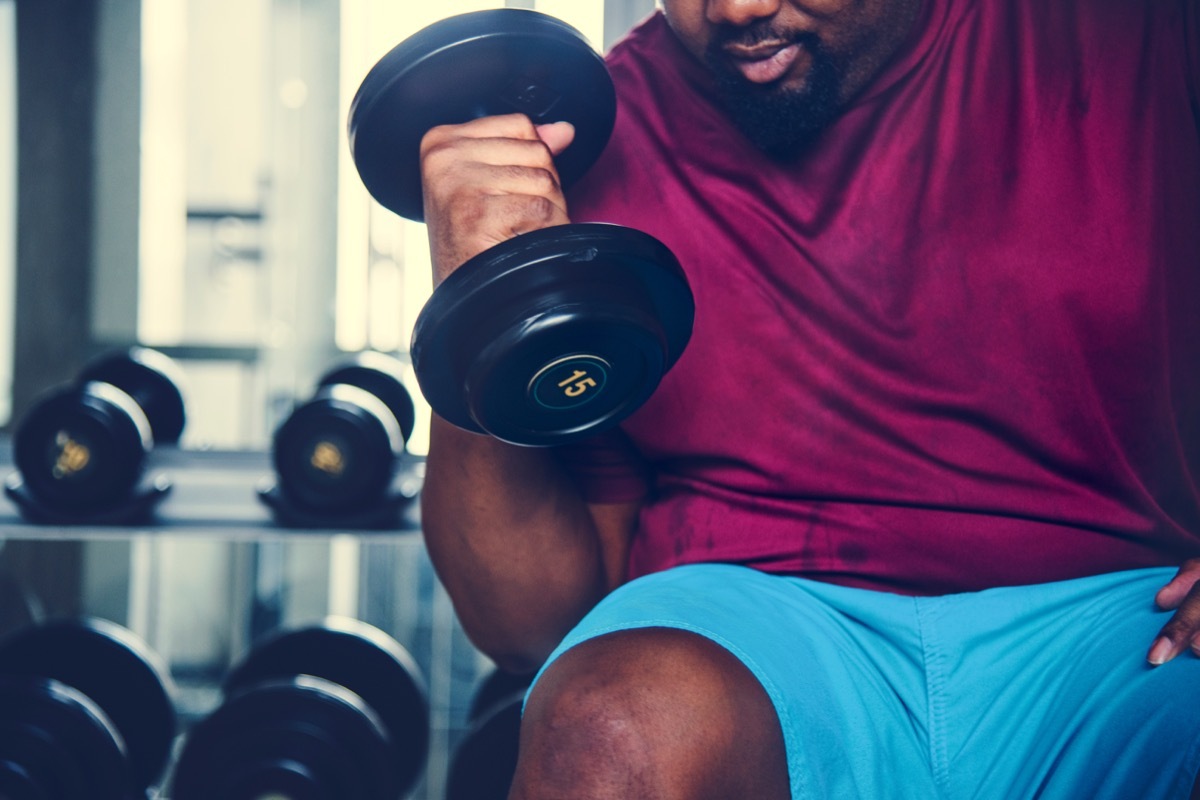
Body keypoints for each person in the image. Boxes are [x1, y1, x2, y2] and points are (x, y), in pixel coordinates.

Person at [418, 0, 1200, 796]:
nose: (735, 8)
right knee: (606, 735)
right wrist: (479, 303)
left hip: (1126, 624)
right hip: (751, 637)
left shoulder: (1138, 34)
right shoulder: (587, 149)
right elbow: (527, 630)